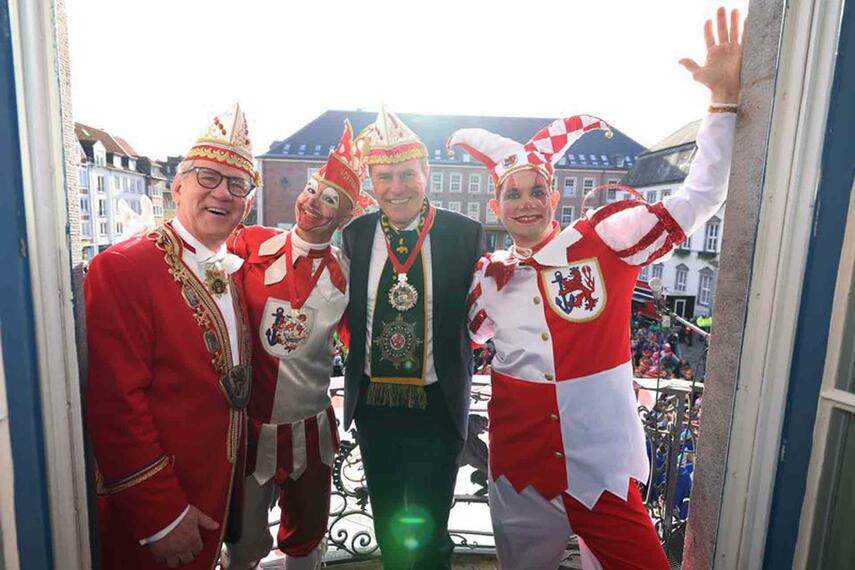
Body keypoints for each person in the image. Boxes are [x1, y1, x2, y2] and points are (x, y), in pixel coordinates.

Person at [452, 8, 742, 568]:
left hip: (601, 465)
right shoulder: (489, 274)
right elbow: (460, 336)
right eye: (513, 194)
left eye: (538, 189)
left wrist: (722, 104)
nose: (526, 202)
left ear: (554, 198)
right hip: (519, 465)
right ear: (497, 206)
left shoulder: (606, 238)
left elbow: (699, 198)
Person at [86, 103, 259, 569]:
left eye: (237, 184)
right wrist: (160, 516)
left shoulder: (230, 269)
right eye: (208, 177)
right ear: (177, 185)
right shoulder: (123, 268)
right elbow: (115, 405)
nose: (222, 191)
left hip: (214, 500)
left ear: (247, 203)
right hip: (160, 517)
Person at [223, 120, 371, 569]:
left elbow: (362, 343)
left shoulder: (349, 275)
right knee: (243, 543)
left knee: (305, 540)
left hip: (311, 430)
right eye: (312, 189)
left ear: (345, 215)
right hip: (249, 428)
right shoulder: (250, 242)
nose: (313, 202)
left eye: (330, 199)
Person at [342, 107, 484, 569]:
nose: (396, 187)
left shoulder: (465, 235)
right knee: (386, 521)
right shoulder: (356, 235)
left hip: (436, 401)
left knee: (431, 531)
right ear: (371, 182)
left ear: (427, 173)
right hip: (375, 405)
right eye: (384, 177)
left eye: (406, 174)